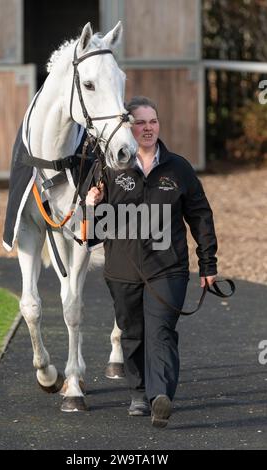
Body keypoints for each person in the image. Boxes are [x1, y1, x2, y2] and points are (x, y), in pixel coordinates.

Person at [86, 96, 218, 427]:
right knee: (133, 332)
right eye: (139, 122)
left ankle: (160, 396)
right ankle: (139, 391)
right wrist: (93, 205)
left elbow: (200, 216)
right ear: (126, 127)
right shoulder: (108, 168)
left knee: (160, 330)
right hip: (122, 270)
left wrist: (208, 265)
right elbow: (93, 234)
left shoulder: (179, 168)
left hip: (168, 269)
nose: (147, 128)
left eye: (152, 121)